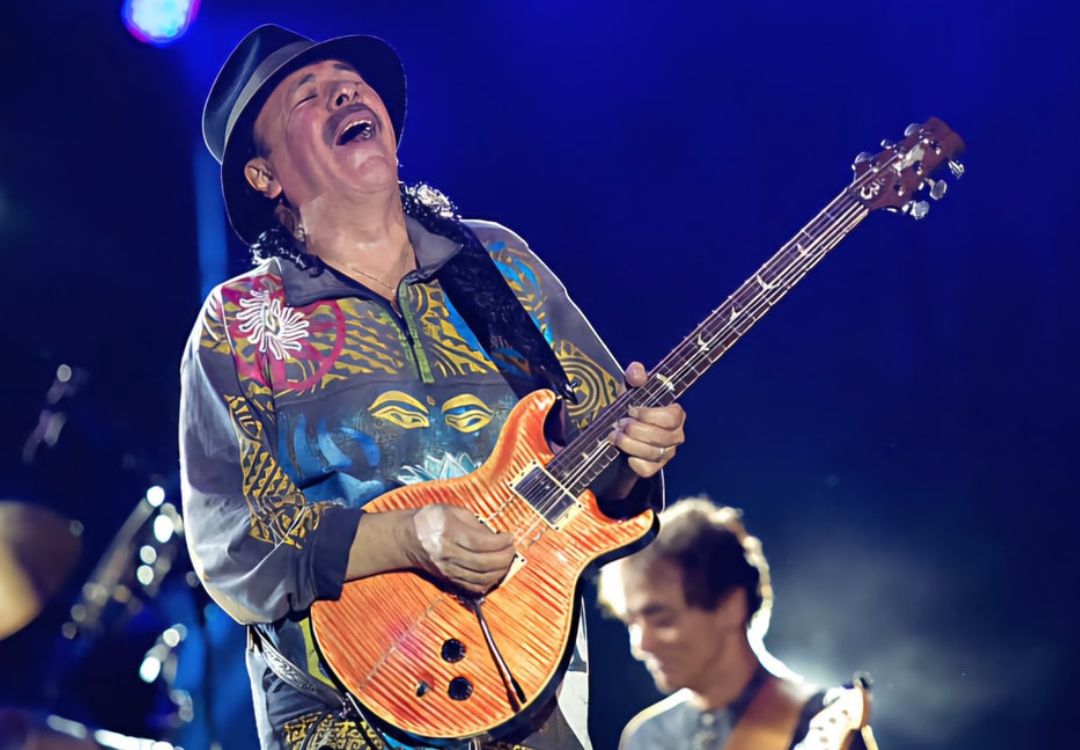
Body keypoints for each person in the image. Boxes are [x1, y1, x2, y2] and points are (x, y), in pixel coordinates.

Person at [179, 24, 687, 750]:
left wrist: (636, 454)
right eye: (308, 96)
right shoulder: (241, 322)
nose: (344, 94)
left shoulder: (498, 264)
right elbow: (235, 540)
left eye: (351, 83)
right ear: (266, 177)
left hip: (523, 679)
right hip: (347, 709)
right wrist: (408, 538)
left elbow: (595, 466)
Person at [598, 498, 878, 750]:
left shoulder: (821, 721)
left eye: (662, 620)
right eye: (631, 623)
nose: (640, 646)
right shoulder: (645, 737)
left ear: (730, 607)